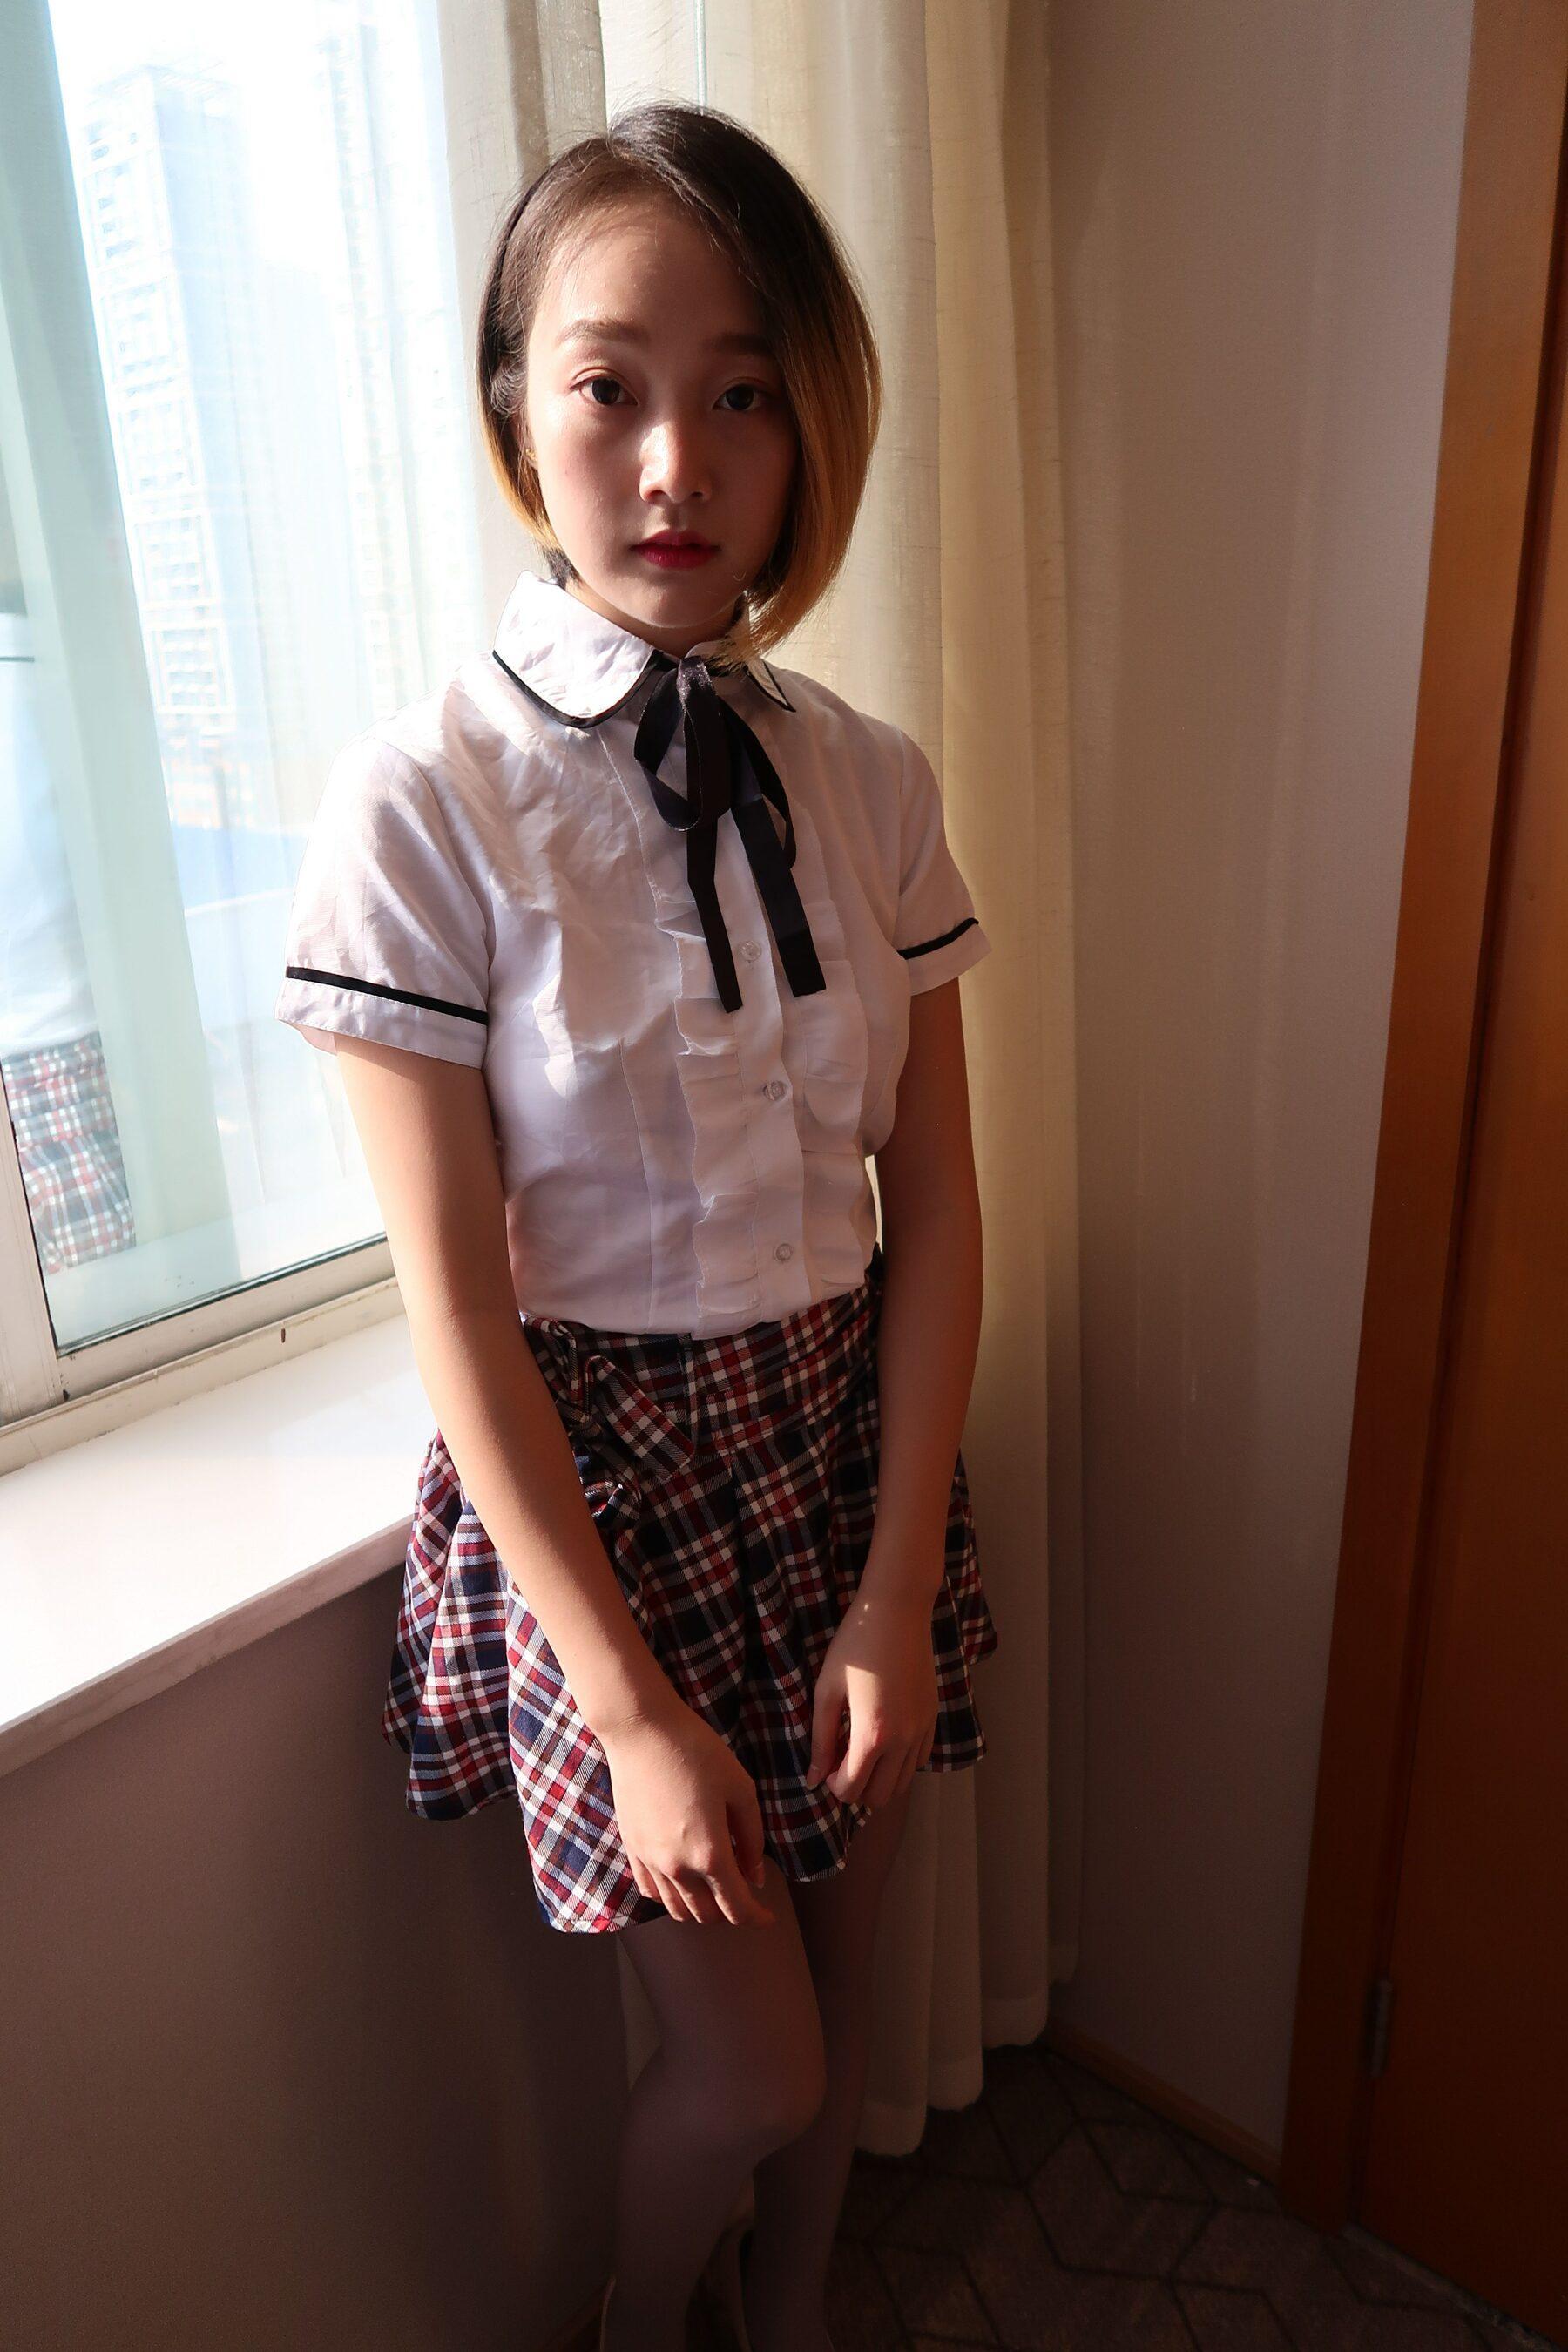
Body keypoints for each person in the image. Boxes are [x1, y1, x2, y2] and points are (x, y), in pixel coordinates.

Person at [274, 98, 999, 2352]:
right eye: (611, 385)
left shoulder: (869, 776)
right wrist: (631, 1704)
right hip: (603, 1498)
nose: (679, 462)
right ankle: (636, 2315)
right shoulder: (427, 801)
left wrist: (894, 1584)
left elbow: (937, 1206)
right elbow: (457, 1312)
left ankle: (795, 2313)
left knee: (849, 1989)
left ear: (808, 427)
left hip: (842, 1448)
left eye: (744, 390)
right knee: (750, 2061)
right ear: (518, 412)